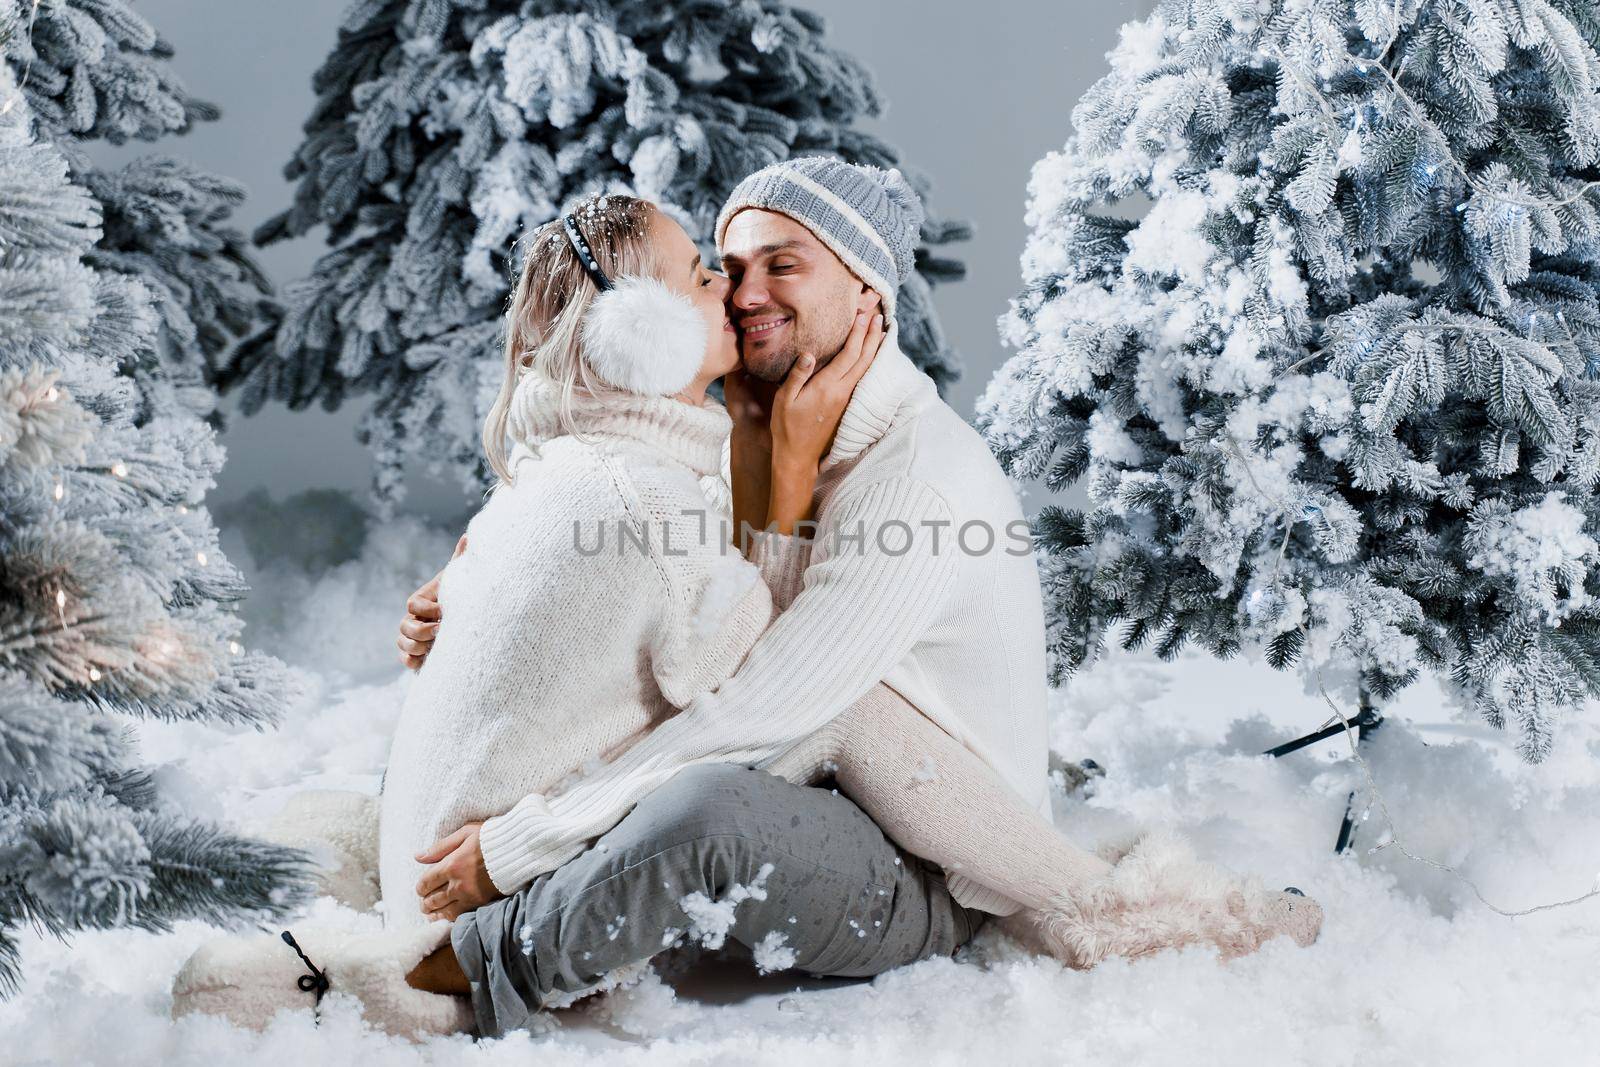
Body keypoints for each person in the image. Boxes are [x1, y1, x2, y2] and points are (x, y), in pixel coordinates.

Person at [171, 162, 1320, 1042]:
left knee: (738, 774)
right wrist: (469, 586)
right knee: (723, 760)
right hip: (817, 788)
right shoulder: (747, 430)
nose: (744, 291)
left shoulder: (909, 475)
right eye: (724, 264)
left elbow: (766, 703)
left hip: (923, 845)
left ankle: (452, 976)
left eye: (783, 263)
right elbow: (628, 574)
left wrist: (523, 838)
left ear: (866, 289)